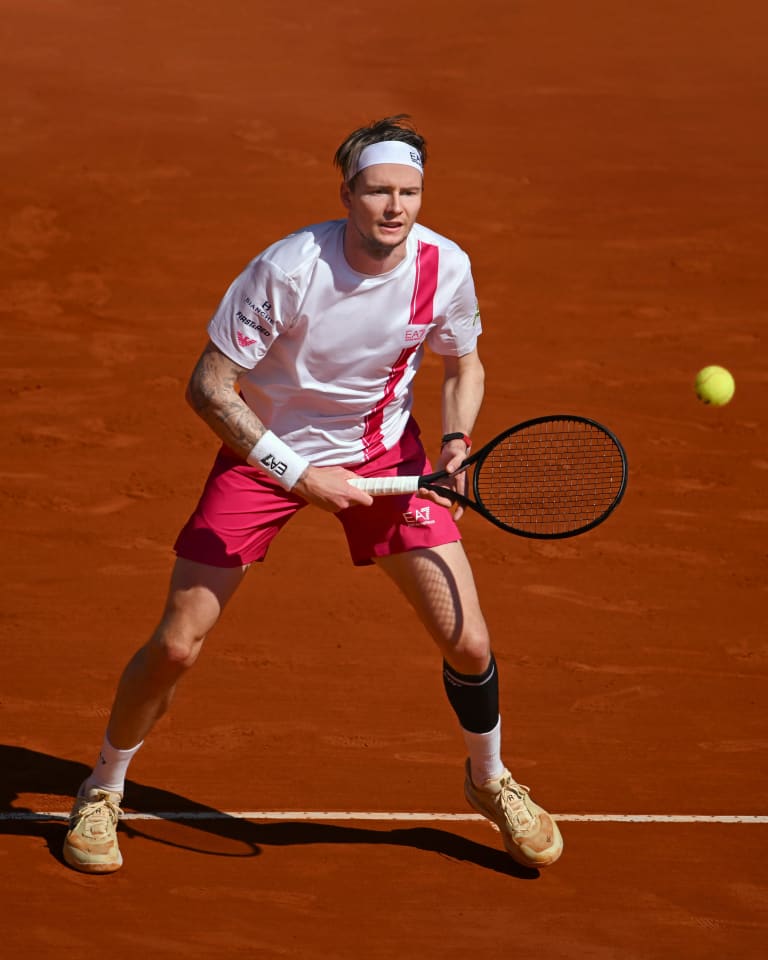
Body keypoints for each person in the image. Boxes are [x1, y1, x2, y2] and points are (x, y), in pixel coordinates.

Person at [63, 114, 563, 874]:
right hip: (264, 456)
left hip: (386, 456)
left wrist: (456, 442)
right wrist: (297, 473)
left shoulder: (445, 266)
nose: (395, 207)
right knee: (174, 645)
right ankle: (103, 786)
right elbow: (208, 386)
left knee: (468, 642)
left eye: (409, 192)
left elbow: (464, 365)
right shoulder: (290, 268)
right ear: (347, 194)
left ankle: (489, 778)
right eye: (378, 191)